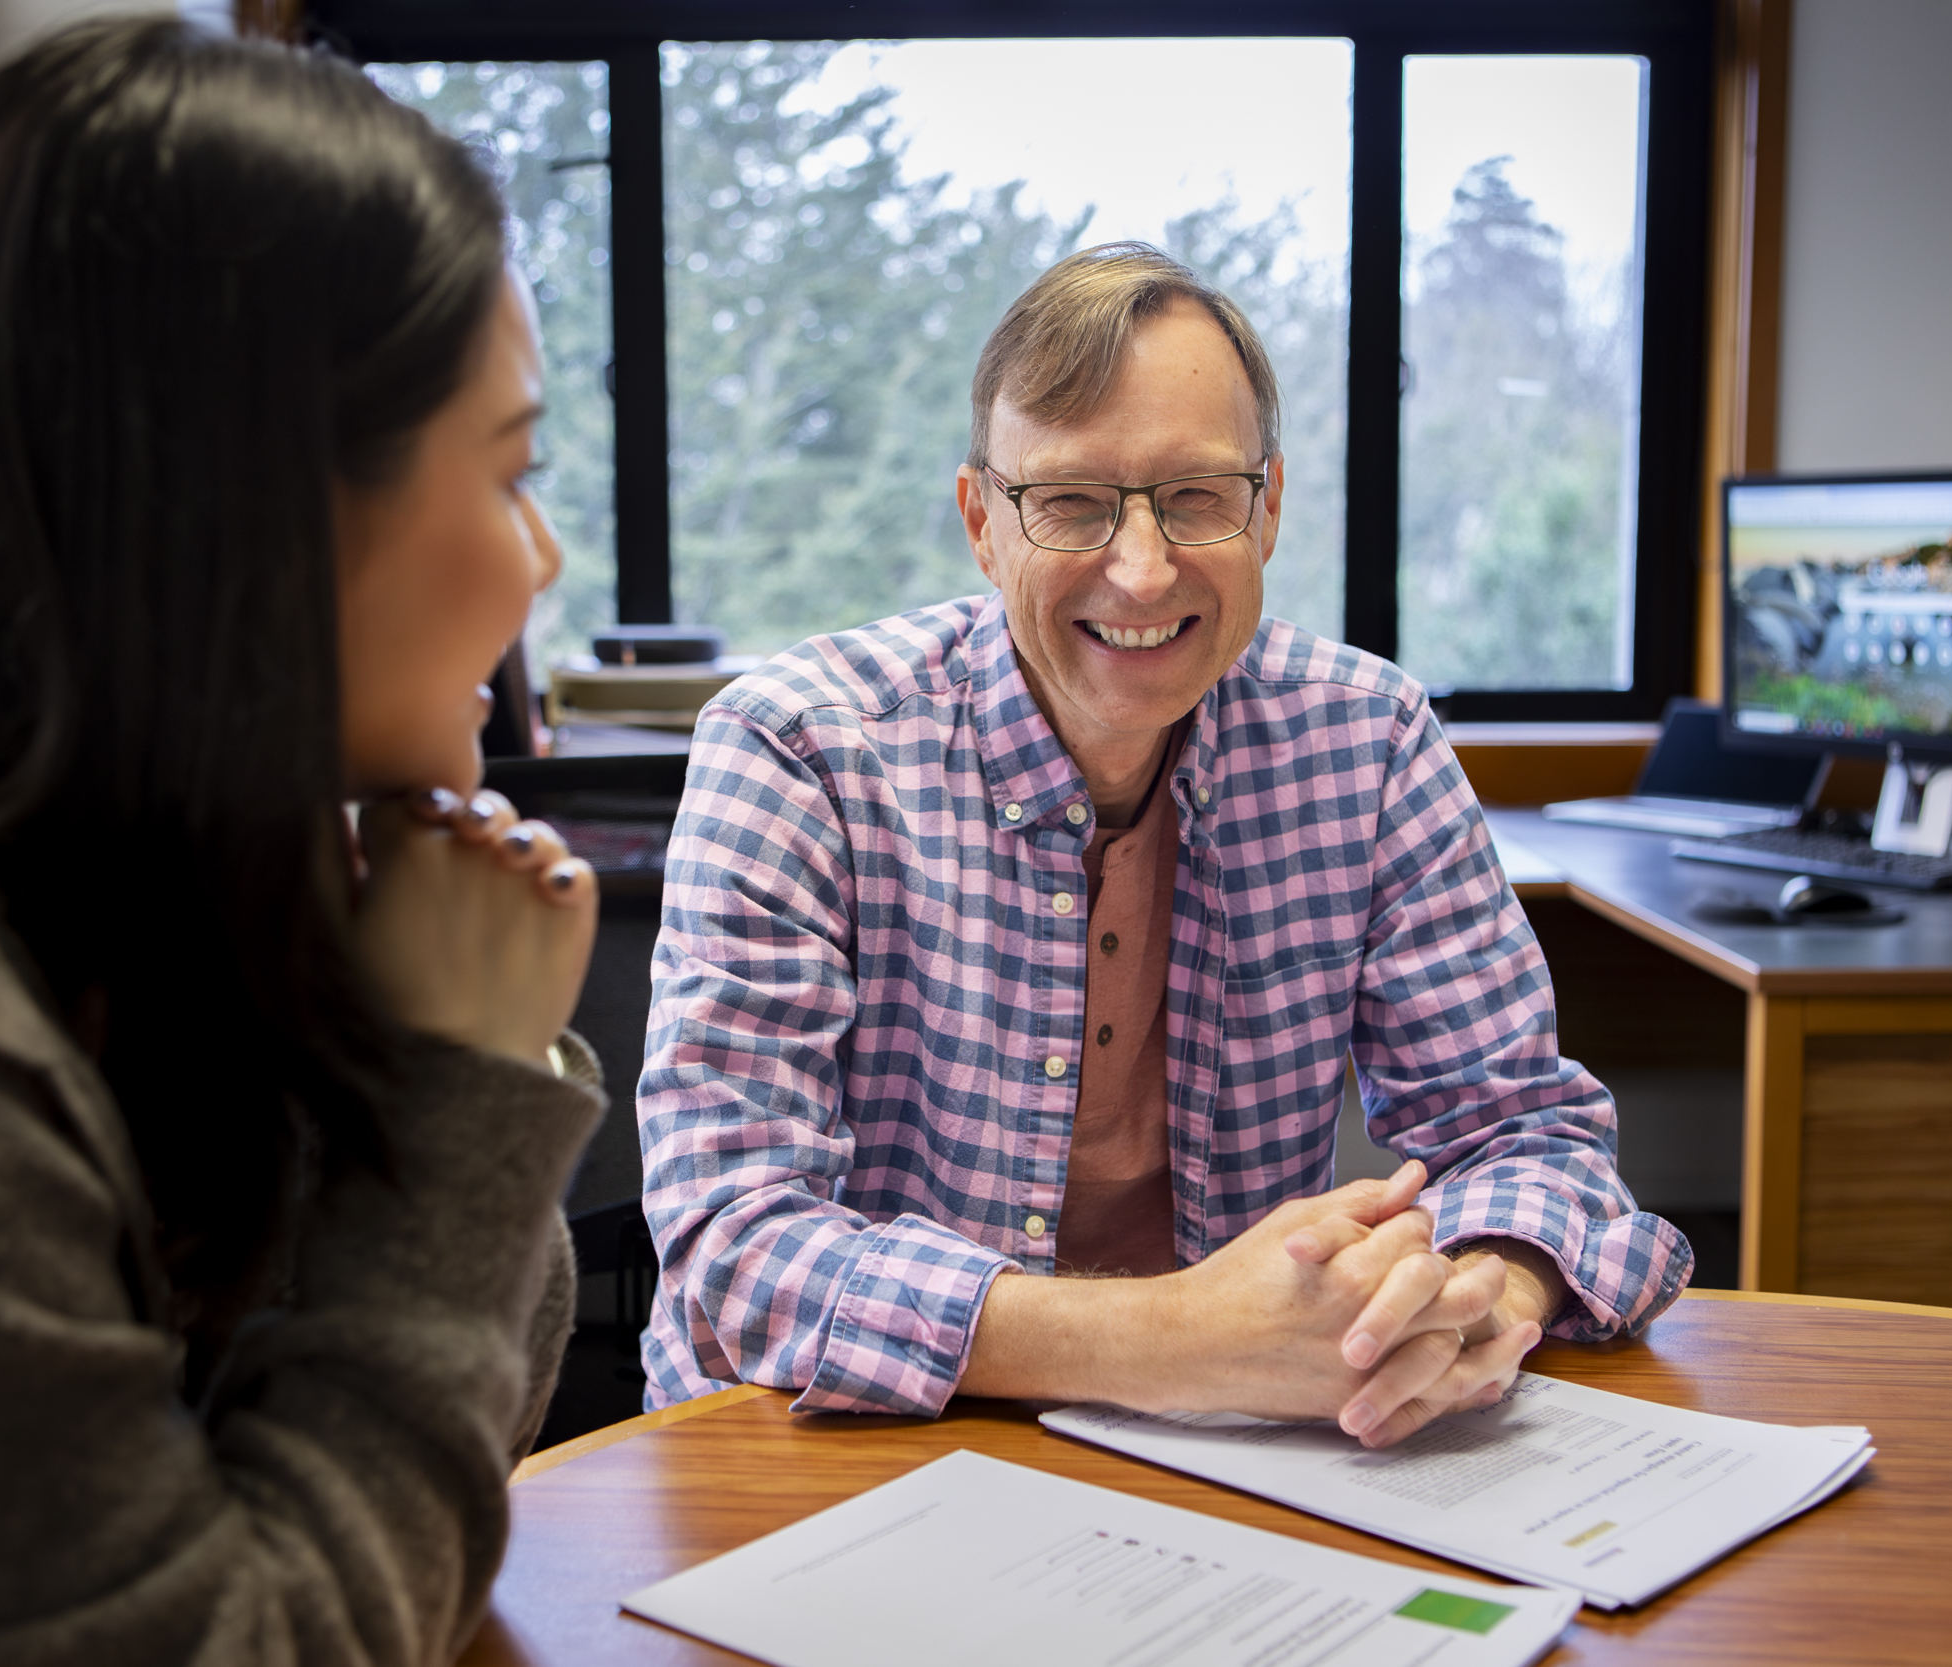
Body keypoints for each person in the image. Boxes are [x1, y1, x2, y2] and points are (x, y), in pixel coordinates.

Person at [0, 21, 602, 1662]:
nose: (543, 559)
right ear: (260, 511)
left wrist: (390, 1049)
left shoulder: (47, 870)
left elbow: (384, 1500)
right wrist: (453, 1099)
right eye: (514, 469)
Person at [639, 244, 1688, 1440]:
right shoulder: (799, 749)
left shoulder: (1369, 739)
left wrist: (1474, 1293)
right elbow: (732, 1243)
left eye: (1195, 496)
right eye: (1072, 502)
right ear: (984, 521)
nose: (1141, 573)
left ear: (1268, 508)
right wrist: (1188, 1337)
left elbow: (1521, 1130)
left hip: (1241, 1443)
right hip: (852, 1443)